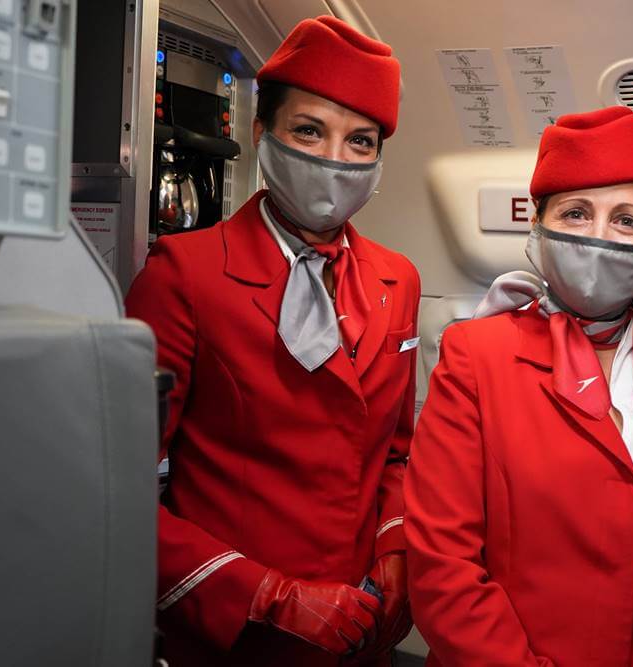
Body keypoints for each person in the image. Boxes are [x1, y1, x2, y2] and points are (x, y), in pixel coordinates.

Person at [404, 107, 633, 667]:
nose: (601, 239)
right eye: (576, 214)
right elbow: (443, 566)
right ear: (538, 226)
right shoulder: (474, 358)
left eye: (627, 220)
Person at [126, 16, 418, 666]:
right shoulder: (186, 275)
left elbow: (397, 453)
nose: (334, 160)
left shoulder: (399, 280)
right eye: (309, 130)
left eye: (360, 141)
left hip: (361, 628)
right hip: (237, 633)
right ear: (262, 134)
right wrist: (269, 595)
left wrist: (396, 546)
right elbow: (120, 490)